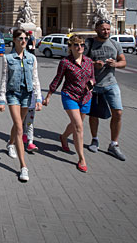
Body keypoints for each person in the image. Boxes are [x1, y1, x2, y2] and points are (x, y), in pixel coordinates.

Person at [43, 34, 95, 172]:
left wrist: (91, 83)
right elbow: (58, 79)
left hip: (85, 97)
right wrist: (49, 95)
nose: (80, 47)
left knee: (76, 124)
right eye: (76, 45)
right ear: (70, 47)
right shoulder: (65, 62)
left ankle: (64, 137)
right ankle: (82, 158)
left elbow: (93, 77)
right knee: (78, 127)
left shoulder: (89, 61)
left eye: (82, 45)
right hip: (69, 95)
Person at [0, 29, 42, 182]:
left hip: (27, 95)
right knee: (20, 127)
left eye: (25, 38)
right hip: (13, 94)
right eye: (20, 38)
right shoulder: (7, 58)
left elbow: (36, 79)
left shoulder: (32, 58)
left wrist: (39, 98)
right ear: (14, 40)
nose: (24, 41)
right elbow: (4, 79)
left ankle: (10, 143)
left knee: (19, 124)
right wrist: (1, 99)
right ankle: (23, 167)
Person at [86, 19, 127, 161]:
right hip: (94, 85)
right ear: (96, 29)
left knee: (118, 112)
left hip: (111, 84)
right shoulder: (89, 44)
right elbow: (81, 61)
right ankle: (94, 139)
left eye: (108, 29)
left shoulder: (115, 44)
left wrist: (115, 64)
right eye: (103, 29)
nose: (106, 32)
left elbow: (123, 61)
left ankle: (114, 144)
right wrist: (93, 64)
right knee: (94, 114)